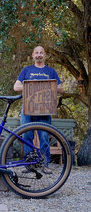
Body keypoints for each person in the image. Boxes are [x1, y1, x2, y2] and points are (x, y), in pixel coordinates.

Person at [14, 46, 64, 174]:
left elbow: (61, 88)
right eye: (36, 52)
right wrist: (30, 84)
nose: (39, 54)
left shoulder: (51, 71)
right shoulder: (26, 70)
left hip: (45, 109)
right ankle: (29, 165)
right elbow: (16, 87)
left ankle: (45, 164)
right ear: (33, 55)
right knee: (27, 136)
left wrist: (48, 84)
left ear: (45, 55)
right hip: (28, 109)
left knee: (44, 137)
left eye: (41, 52)